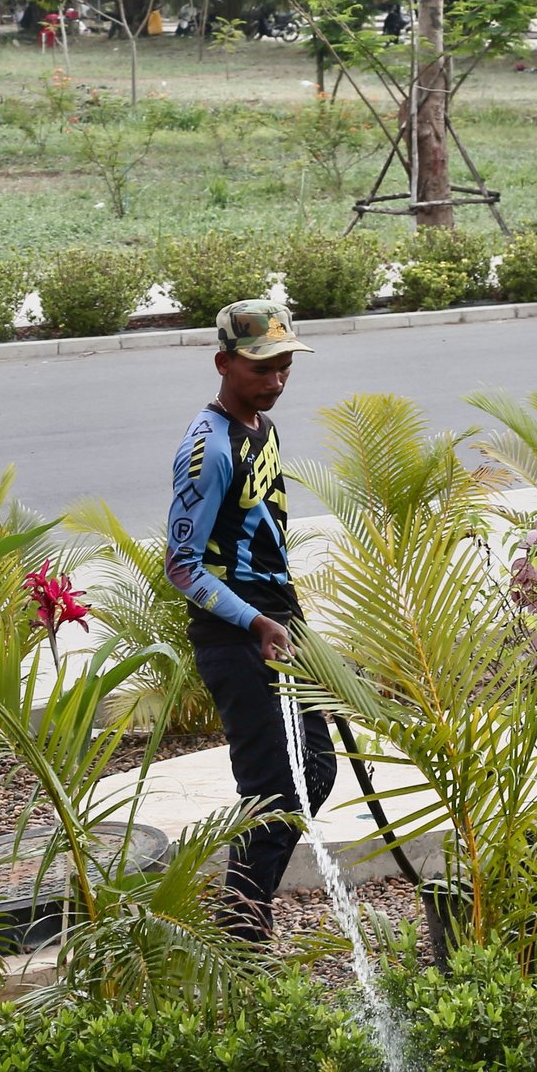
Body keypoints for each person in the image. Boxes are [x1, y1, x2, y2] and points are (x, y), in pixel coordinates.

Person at [164, 299, 336, 944]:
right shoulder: (206, 449)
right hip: (236, 637)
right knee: (272, 787)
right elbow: (182, 567)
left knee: (317, 771)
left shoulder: (262, 427)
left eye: (285, 367)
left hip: (278, 624)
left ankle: (245, 910)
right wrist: (256, 621)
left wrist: (286, 614)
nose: (276, 381)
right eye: (262, 369)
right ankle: (241, 931)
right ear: (223, 363)